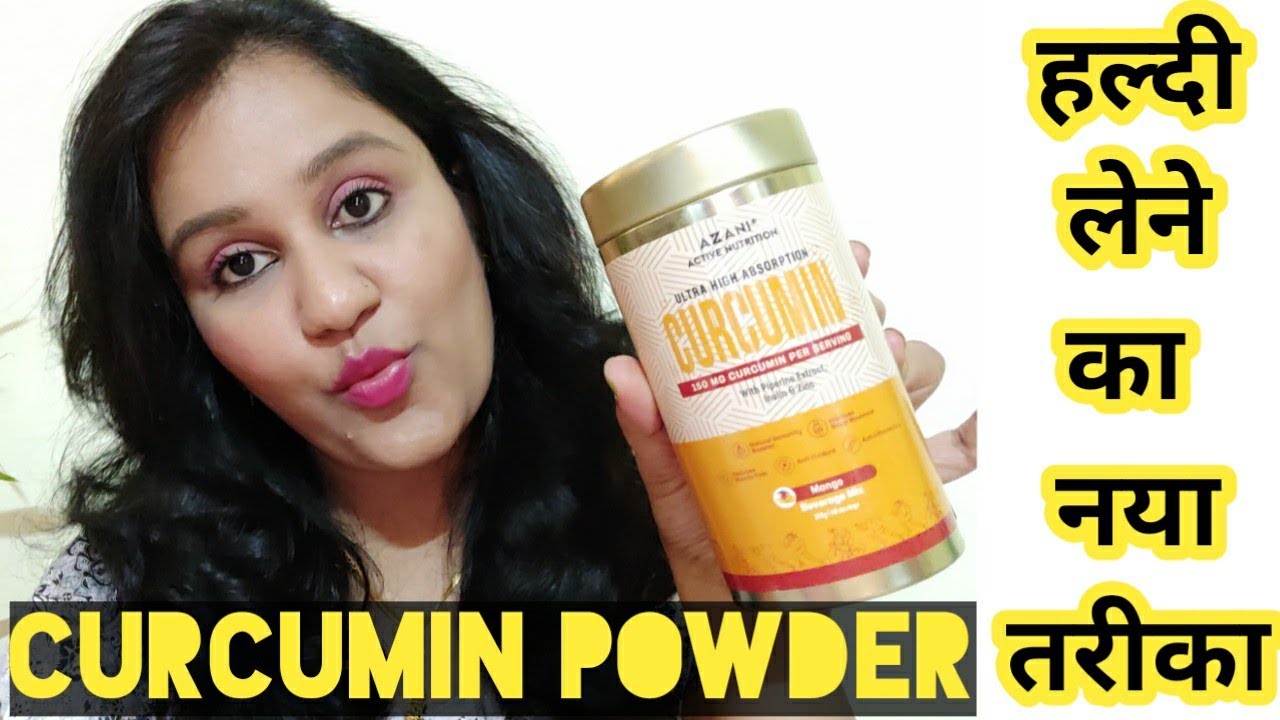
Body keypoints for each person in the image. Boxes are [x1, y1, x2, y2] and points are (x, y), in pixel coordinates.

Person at [0, 0, 977, 715]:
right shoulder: (117, 609)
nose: (333, 303)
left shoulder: (673, 472)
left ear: (465, 192)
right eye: (239, 264)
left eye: (359, 204)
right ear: (188, 329)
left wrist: (760, 620)